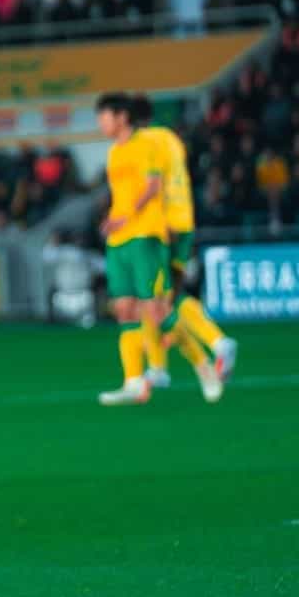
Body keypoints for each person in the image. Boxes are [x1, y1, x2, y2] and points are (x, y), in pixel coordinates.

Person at [129, 96, 233, 401]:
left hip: (162, 227)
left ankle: (213, 343)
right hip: (183, 219)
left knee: (153, 299)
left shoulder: (143, 142)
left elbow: (154, 184)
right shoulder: (170, 138)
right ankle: (173, 367)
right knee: (164, 298)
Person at [95, 93, 168, 406]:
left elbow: (153, 186)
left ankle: (160, 365)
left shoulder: (147, 144)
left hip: (143, 233)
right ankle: (134, 382)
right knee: (124, 308)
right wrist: (112, 219)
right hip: (119, 239)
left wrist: (128, 215)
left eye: (104, 117)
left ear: (122, 116)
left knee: (151, 305)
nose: (101, 123)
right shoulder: (113, 153)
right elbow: (120, 195)